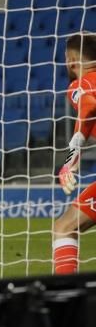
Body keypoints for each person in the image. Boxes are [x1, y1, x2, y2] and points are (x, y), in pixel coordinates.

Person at [52, 33, 96, 274]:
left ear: (71, 60)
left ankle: (66, 303)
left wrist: (71, 157)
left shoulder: (80, 84)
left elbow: (89, 105)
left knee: (65, 227)